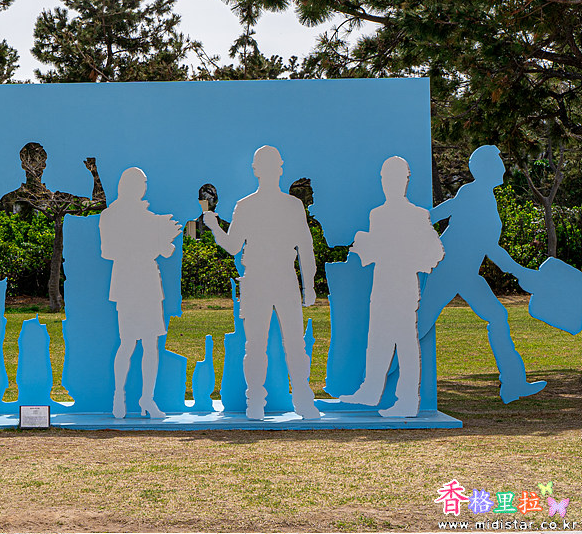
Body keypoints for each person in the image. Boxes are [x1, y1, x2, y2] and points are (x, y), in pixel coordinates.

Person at [417, 145, 546, 403]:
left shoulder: (483, 196)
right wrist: (520, 271)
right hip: (450, 271)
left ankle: (513, 384)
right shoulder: (473, 194)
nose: (503, 168)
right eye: (498, 163)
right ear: (486, 168)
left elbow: (484, 243)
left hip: (465, 273)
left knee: (497, 316)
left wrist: (520, 271)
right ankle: (377, 375)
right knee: (420, 324)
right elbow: (489, 246)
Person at [204, 145, 320, 420]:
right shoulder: (254, 205)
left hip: (277, 278)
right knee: (267, 344)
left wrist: (309, 285)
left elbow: (305, 246)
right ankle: (263, 401)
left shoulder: (277, 205)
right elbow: (303, 247)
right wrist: (215, 227)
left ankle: (284, 400)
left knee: (278, 344)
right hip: (262, 279)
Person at [339, 156, 445, 417]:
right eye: (386, 178)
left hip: (404, 285)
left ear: (405, 181)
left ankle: (408, 399)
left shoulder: (417, 215)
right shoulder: (378, 214)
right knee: (378, 338)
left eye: (396, 178)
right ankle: (371, 390)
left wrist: (412, 261)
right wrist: (365, 247)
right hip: (382, 283)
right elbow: (380, 248)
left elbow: (435, 251)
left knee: (405, 340)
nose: (390, 184)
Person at [0, 143, 106, 311]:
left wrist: (95, 174)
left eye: (38, 160)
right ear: (23, 163)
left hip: (49, 276)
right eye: (30, 160)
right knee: (16, 323)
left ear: (44, 164)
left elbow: (98, 205)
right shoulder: (10, 200)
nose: (34, 165)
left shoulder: (56, 200)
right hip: (18, 278)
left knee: (53, 323)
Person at [99, 167, 179, 418]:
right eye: (141, 182)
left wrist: (165, 238)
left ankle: (147, 398)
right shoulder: (111, 216)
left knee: (150, 344)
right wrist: (151, 242)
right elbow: (108, 251)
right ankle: (119, 396)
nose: (144, 187)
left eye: (145, 182)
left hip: (147, 282)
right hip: (128, 283)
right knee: (128, 342)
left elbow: (165, 251)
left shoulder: (150, 218)